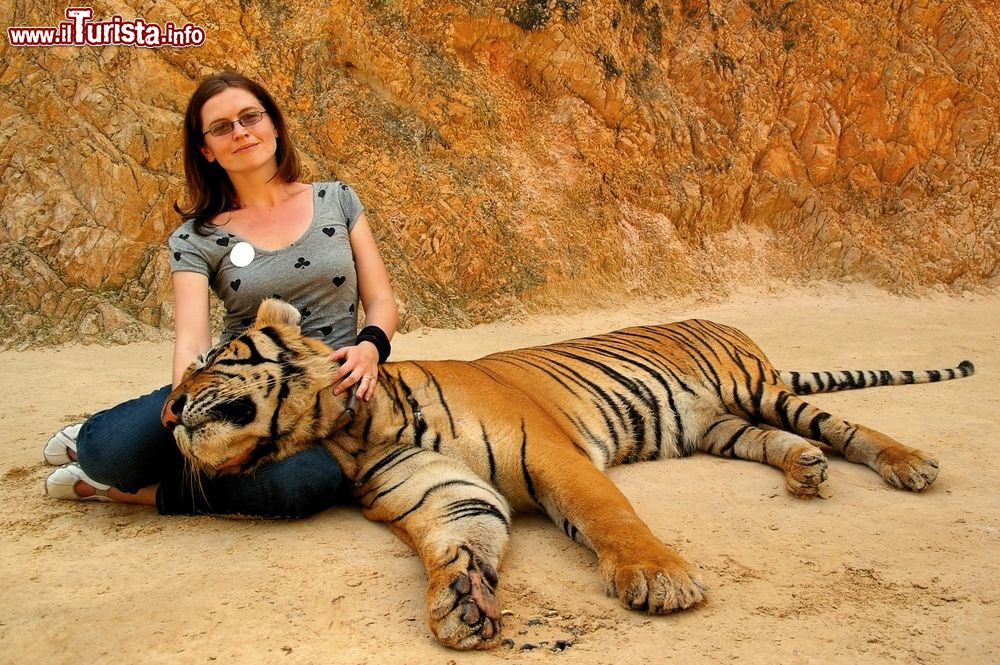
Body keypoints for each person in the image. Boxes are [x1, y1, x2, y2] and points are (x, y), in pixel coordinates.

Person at [42, 71, 398, 518]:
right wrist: (193, 418)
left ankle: (133, 493)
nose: (241, 132)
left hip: (328, 393)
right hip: (233, 384)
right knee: (108, 454)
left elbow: (382, 299)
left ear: (274, 126)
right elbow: (192, 342)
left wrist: (370, 349)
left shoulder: (338, 199)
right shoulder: (195, 237)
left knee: (304, 484)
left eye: (250, 117)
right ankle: (87, 443)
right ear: (207, 150)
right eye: (222, 127)